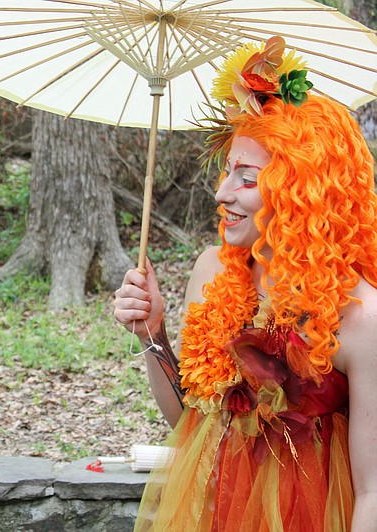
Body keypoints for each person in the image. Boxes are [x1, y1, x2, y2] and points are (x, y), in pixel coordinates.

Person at [114, 36, 377, 531]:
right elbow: (194, 423)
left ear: (302, 189)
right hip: (216, 509)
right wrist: (153, 335)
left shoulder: (361, 315)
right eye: (227, 170)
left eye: (246, 178)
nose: (221, 192)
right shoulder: (212, 270)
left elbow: (373, 490)